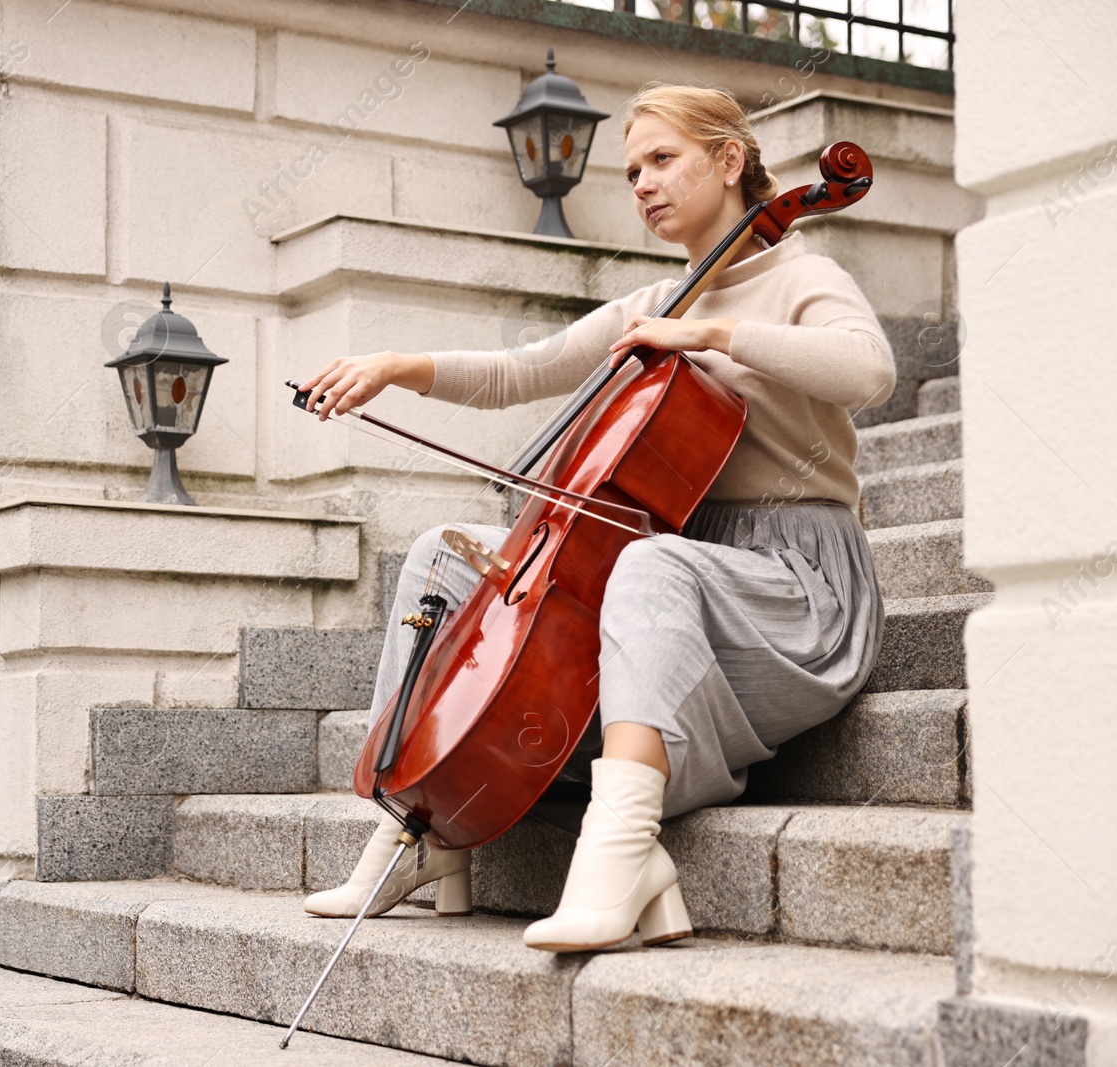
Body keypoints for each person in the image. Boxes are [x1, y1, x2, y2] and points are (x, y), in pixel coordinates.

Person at [294, 83, 893, 953]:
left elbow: (868, 371)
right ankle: (416, 824)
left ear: (729, 161)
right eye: (632, 170)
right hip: (685, 574)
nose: (643, 183)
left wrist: (714, 339)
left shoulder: (804, 274)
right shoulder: (656, 301)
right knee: (439, 558)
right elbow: (519, 370)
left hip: (798, 586)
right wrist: (393, 364)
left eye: (662, 159)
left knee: (646, 564)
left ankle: (624, 854)